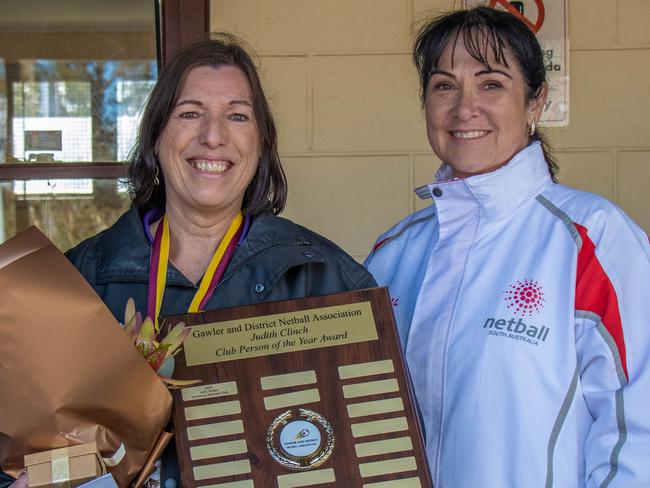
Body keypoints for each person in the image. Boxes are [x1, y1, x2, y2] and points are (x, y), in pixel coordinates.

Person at [0, 34, 375, 488]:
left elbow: (370, 451)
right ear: (156, 137)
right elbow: (26, 449)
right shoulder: (74, 282)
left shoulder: (325, 277)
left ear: (261, 143)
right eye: (190, 113)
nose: (213, 137)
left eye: (237, 116)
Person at [365, 7, 650, 488]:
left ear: (535, 102)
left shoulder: (592, 237)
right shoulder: (392, 253)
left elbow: (636, 428)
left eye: (491, 84)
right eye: (443, 86)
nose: (464, 108)